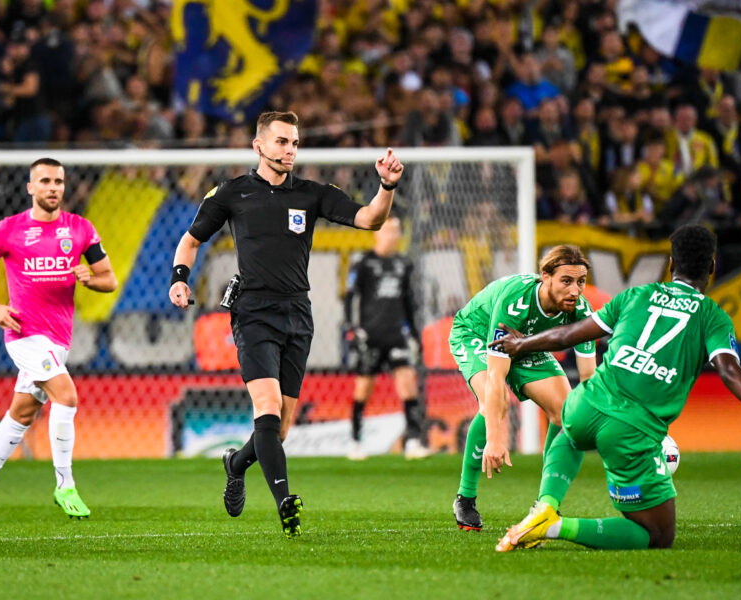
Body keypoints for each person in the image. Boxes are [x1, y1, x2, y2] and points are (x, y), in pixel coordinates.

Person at [491, 225, 741, 552]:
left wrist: (521, 344)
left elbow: (568, 335)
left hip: (585, 403)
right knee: (656, 534)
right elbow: (728, 370)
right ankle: (555, 526)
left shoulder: (636, 296)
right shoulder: (712, 317)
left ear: (671, 264)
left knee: (569, 433)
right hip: (630, 428)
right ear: (712, 267)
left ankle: (545, 503)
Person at [169, 111, 403, 538]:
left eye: (294, 142)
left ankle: (235, 463)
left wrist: (386, 186)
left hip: (297, 313)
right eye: (281, 141)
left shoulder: (312, 194)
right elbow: (191, 240)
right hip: (252, 312)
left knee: (280, 427)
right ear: (258, 146)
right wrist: (179, 279)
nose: (290, 149)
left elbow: (371, 219)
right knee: (268, 406)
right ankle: (284, 501)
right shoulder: (231, 193)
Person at [0, 157, 118, 522]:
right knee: (66, 396)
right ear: (30, 187)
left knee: (22, 412)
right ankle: (65, 485)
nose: (52, 188)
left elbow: (109, 280)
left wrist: (89, 278)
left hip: (58, 338)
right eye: (45, 181)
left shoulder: (80, 228)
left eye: (58, 181)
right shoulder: (8, 229)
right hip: (24, 334)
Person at [449, 245, 598, 532]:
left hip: (525, 343)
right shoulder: (515, 302)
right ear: (545, 276)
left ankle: (546, 504)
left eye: (580, 281)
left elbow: (588, 378)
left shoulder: (581, 311)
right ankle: (465, 498)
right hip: (475, 334)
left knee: (566, 413)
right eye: (566, 281)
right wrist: (494, 438)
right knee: (496, 401)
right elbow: (496, 376)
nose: (575, 290)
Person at [343, 216, 431, 461]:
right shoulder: (363, 263)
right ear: (377, 233)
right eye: (388, 230)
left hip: (396, 335)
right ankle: (355, 441)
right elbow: (350, 298)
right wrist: (353, 329)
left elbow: (408, 303)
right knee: (363, 388)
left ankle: (412, 441)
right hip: (370, 335)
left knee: (407, 382)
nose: (393, 235)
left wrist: (414, 334)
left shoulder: (404, 264)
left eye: (396, 230)